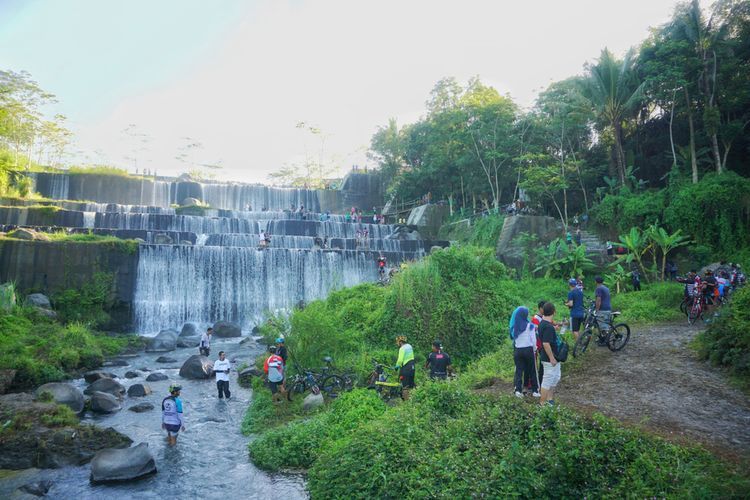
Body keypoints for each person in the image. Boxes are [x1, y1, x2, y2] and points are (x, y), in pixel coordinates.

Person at [510, 307, 539, 398]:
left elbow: (514, 339)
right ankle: (535, 391)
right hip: (528, 350)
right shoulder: (530, 326)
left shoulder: (515, 327)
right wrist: (535, 349)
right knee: (532, 370)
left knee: (519, 371)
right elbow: (533, 340)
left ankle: (518, 390)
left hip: (518, 351)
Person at [538, 302, 561, 406]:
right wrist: (551, 358)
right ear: (554, 312)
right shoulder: (547, 326)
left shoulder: (544, 323)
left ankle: (549, 399)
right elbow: (546, 343)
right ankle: (542, 403)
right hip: (549, 359)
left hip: (554, 357)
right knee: (547, 379)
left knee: (556, 377)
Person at [594, 276, 612, 345]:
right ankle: (603, 339)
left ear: (596, 281)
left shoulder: (598, 288)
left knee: (603, 326)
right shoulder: (606, 288)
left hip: (602, 309)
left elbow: (599, 300)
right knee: (606, 325)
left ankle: (605, 341)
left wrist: (597, 310)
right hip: (608, 308)